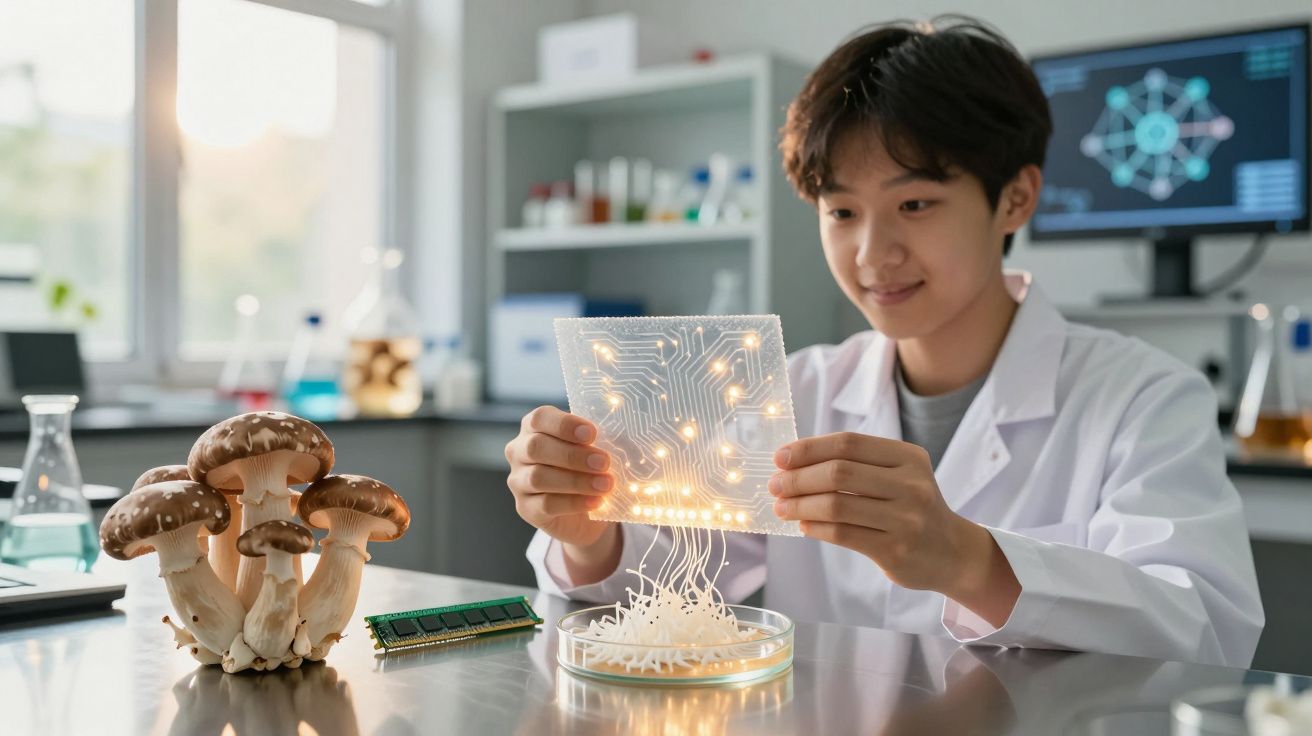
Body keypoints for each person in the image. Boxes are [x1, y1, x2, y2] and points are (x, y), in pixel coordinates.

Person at [504, 16, 1264, 667]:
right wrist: (590, 536)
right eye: (842, 213)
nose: (873, 254)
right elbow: (673, 586)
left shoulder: (1143, 398)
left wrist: (970, 561)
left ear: (1016, 198)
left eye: (916, 204)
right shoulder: (797, 391)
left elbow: (1206, 630)